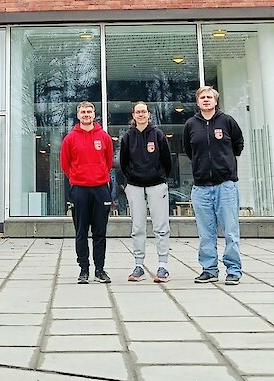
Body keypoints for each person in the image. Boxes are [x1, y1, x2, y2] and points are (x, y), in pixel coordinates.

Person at [182, 85, 245, 285]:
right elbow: (189, 150)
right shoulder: (191, 124)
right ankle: (209, 269)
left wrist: (226, 164)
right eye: (202, 97)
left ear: (216, 101)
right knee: (205, 232)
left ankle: (233, 270)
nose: (206, 100)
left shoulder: (227, 121)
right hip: (201, 187)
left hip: (225, 186)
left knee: (230, 231)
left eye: (209, 97)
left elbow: (238, 145)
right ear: (197, 102)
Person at [60, 101, 114, 284]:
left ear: (94, 114)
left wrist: (98, 176)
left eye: (89, 111)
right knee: (81, 232)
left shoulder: (104, 137)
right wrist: (78, 177)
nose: (86, 114)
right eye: (83, 112)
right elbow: (65, 164)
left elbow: (108, 162)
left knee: (100, 232)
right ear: (78, 115)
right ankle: (84, 269)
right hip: (79, 190)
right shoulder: (70, 138)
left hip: (100, 189)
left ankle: (100, 270)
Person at [119, 101, 173, 283]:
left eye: (144, 111)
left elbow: (167, 160)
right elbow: (123, 162)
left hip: (157, 185)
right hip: (134, 186)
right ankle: (139, 265)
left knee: (161, 227)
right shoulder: (127, 137)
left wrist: (160, 177)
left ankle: (163, 265)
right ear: (133, 115)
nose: (141, 114)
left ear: (149, 114)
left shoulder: (158, 135)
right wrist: (130, 180)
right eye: (138, 112)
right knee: (137, 227)